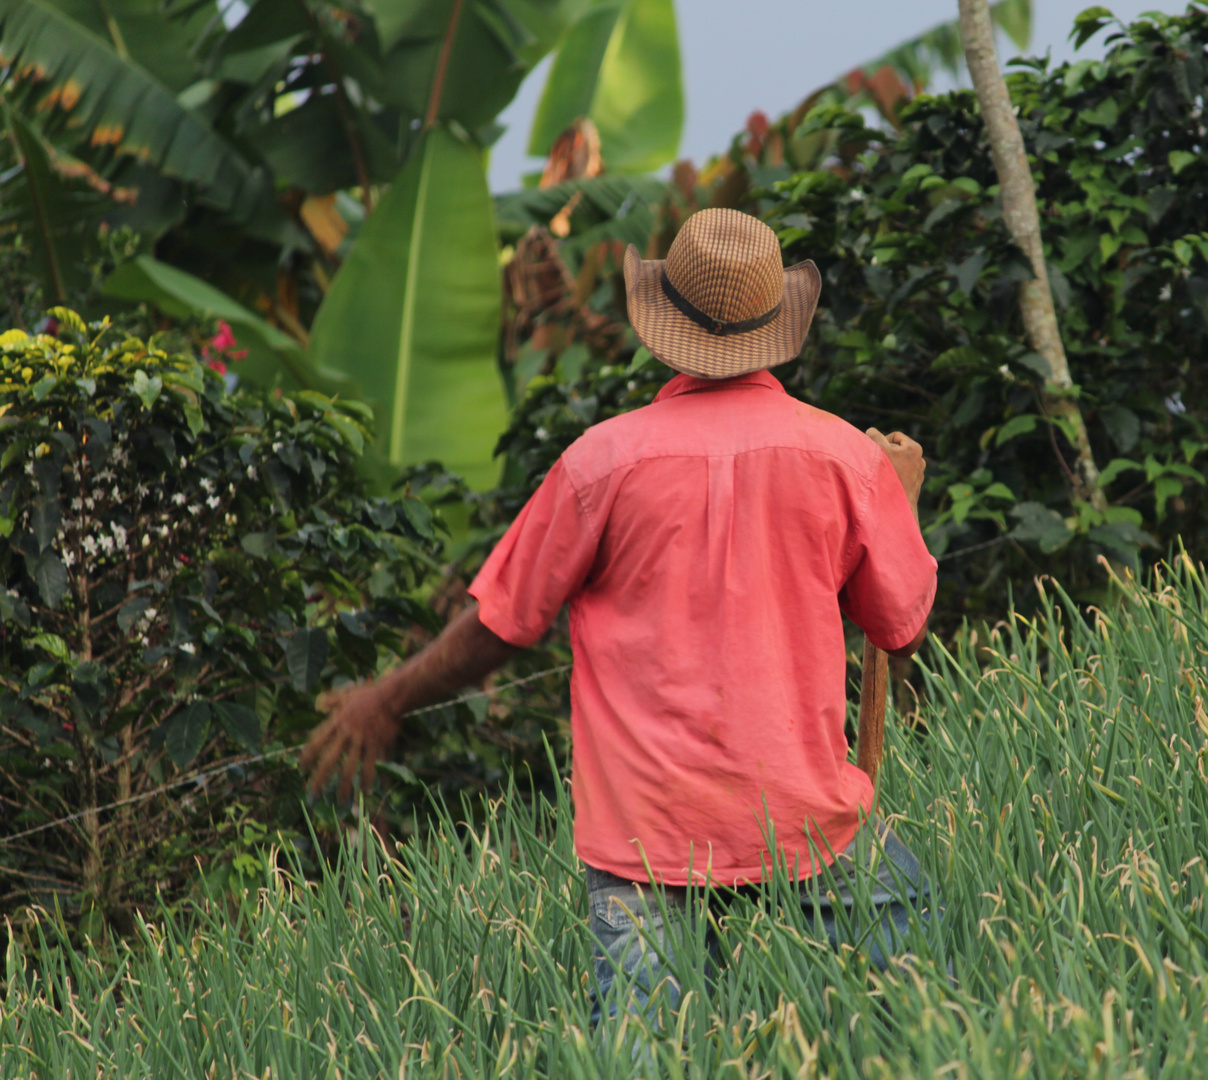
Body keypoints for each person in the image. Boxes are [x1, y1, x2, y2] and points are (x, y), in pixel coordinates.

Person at [300, 207, 938, 1018]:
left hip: (647, 839)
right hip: (809, 822)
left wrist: (383, 700)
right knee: (913, 1021)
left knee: (647, 1053)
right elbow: (899, 629)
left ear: (659, 329)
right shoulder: (847, 457)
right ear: (779, 326)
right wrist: (900, 502)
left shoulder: (599, 463)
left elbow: (504, 623)